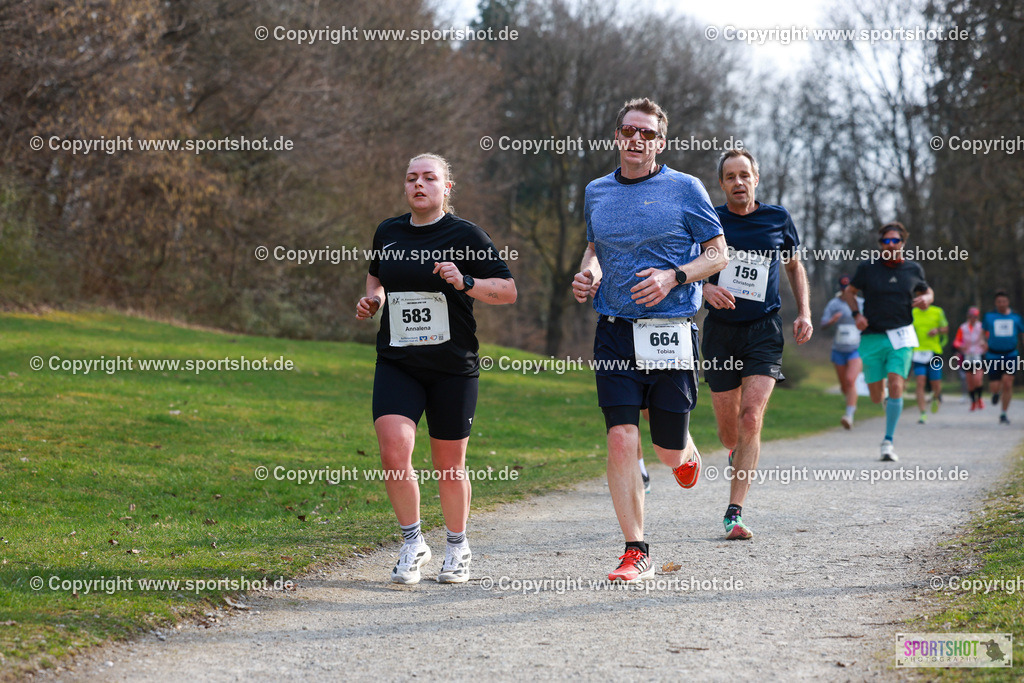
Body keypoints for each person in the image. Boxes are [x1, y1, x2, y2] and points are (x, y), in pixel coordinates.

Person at [572, 97, 728, 583]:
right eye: (628, 130)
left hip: (670, 332)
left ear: (660, 142)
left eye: (647, 133)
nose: (636, 140)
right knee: (621, 437)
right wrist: (587, 274)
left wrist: (674, 276)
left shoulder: (685, 188)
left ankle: (685, 450)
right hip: (615, 331)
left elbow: (718, 253)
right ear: (618, 135)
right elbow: (596, 249)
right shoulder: (596, 191)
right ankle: (635, 550)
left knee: (666, 449)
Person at [356, 153, 517, 584]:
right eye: (411, 178)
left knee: (449, 465)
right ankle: (412, 542)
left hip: (452, 366)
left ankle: (458, 545)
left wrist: (466, 282)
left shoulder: (466, 235)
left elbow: (507, 290)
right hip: (398, 361)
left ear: (447, 188)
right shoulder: (388, 232)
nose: (419, 184)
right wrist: (374, 299)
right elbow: (377, 279)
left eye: (430, 178)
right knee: (394, 450)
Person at [701, 149, 812, 541]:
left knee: (751, 418)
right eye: (730, 176)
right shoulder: (709, 218)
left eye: (744, 175)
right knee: (729, 430)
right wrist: (705, 288)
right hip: (720, 331)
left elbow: (794, 266)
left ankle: (735, 512)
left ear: (756, 178)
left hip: (764, 330)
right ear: (722, 183)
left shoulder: (777, 218)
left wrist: (805, 312)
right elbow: (690, 265)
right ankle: (735, 451)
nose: (738, 182)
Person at [841, 222, 933, 461]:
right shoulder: (868, 268)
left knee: (895, 383)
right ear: (880, 244)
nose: (890, 245)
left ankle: (888, 442)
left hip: (901, 336)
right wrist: (856, 315)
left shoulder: (913, 269)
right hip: (872, 337)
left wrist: (927, 299)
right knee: (874, 396)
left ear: (903, 243)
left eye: (895, 241)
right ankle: (884, 398)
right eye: (885, 241)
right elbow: (849, 293)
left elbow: (927, 291)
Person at [821, 274, 864, 429]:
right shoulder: (834, 304)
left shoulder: (861, 304)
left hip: (856, 349)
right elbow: (823, 324)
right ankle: (851, 402)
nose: (846, 291)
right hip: (838, 349)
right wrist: (832, 321)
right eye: (843, 288)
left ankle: (849, 415)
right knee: (844, 386)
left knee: (851, 380)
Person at [982, 290, 1024, 424]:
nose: (1001, 304)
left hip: (1011, 354)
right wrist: (983, 341)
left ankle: (1004, 413)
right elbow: (983, 332)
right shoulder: (989, 317)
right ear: (995, 303)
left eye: (1004, 301)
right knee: (995, 386)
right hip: (993, 355)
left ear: (1008, 302)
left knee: (1007, 383)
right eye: (999, 302)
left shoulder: (1016, 318)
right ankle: (995, 393)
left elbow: (1022, 333)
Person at [911, 297, 948, 423]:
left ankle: (935, 396)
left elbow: (946, 329)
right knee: (920, 382)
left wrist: (937, 330)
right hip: (918, 352)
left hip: (934, 351)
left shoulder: (937, 311)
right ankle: (922, 413)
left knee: (935, 383)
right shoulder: (913, 312)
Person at [953, 306, 987, 410]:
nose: (973, 318)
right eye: (971, 316)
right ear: (968, 316)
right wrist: (960, 346)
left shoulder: (982, 327)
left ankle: (980, 399)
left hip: (978, 355)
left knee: (977, 379)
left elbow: (989, 338)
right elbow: (956, 341)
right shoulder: (963, 327)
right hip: (967, 356)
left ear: (977, 317)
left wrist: (985, 344)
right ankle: (973, 402)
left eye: (975, 316)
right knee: (970, 382)